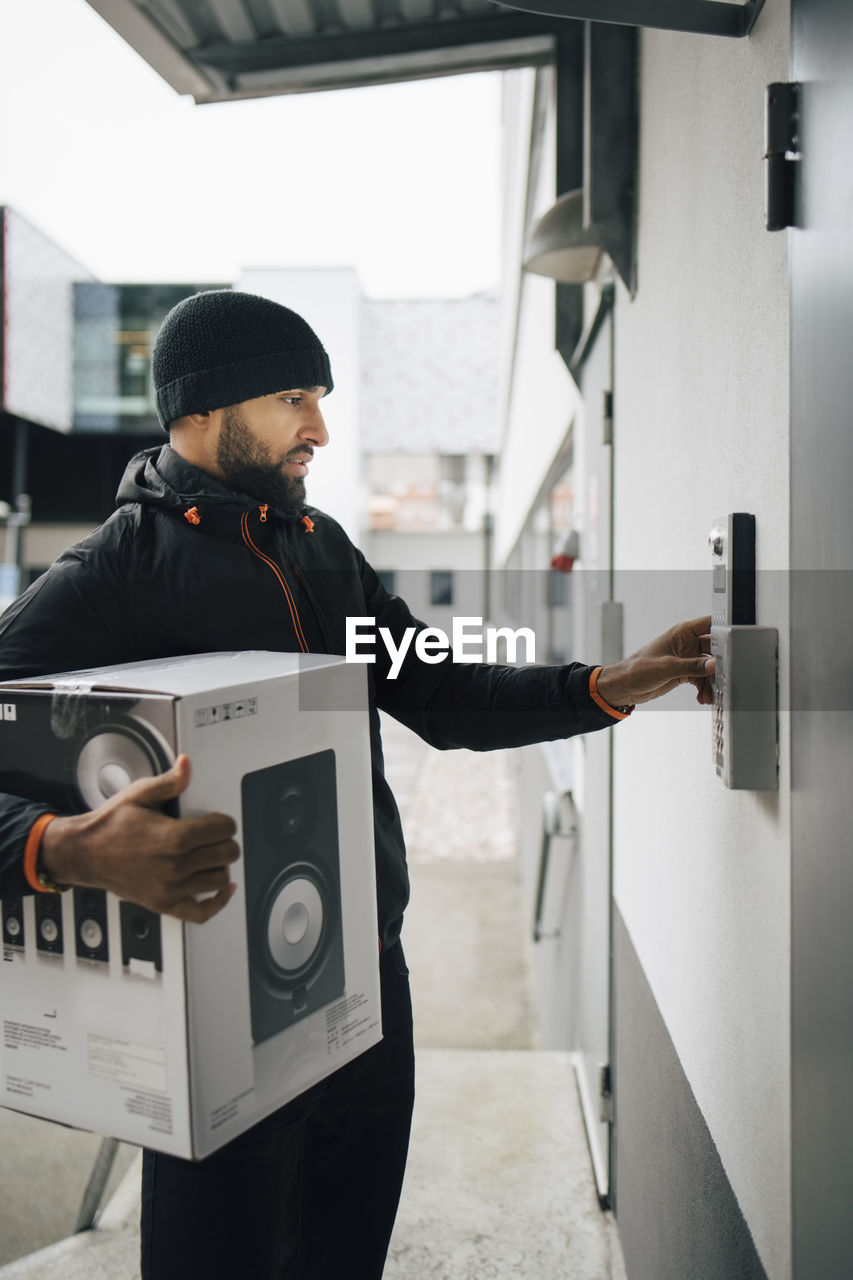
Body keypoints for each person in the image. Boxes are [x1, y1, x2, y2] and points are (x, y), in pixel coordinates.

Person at [0, 290, 714, 1278]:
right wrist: (66, 849)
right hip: (218, 1002)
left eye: (321, 397)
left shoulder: (321, 547)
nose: (320, 428)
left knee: (346, 1253)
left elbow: (434, 687)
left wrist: (604, 686)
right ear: (201, 409)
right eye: (292, 396)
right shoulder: (106, 575)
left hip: (365, 978)